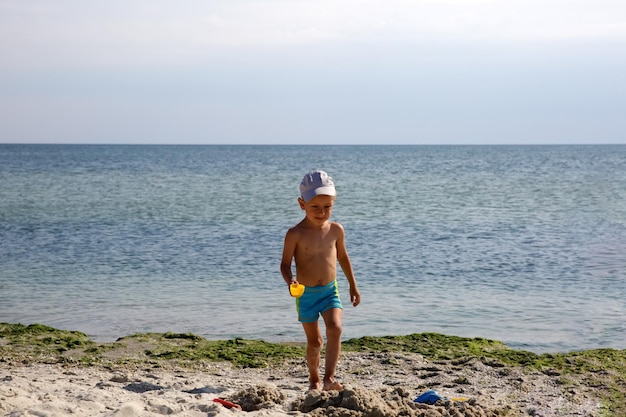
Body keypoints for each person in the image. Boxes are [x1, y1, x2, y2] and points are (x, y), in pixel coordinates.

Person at [280, 170, 361, 391]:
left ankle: (329, 378)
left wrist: (353, 285)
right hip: (305, 294)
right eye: (315, 206)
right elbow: (285, 265)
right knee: (315, 342)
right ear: (301, 204)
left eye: (328, 206)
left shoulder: (336, 230)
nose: (322, 212)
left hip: (329, 291)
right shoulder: (294, 234)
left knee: (335, 328)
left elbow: (343, 257)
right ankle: (314, 378)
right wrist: (291, 281)